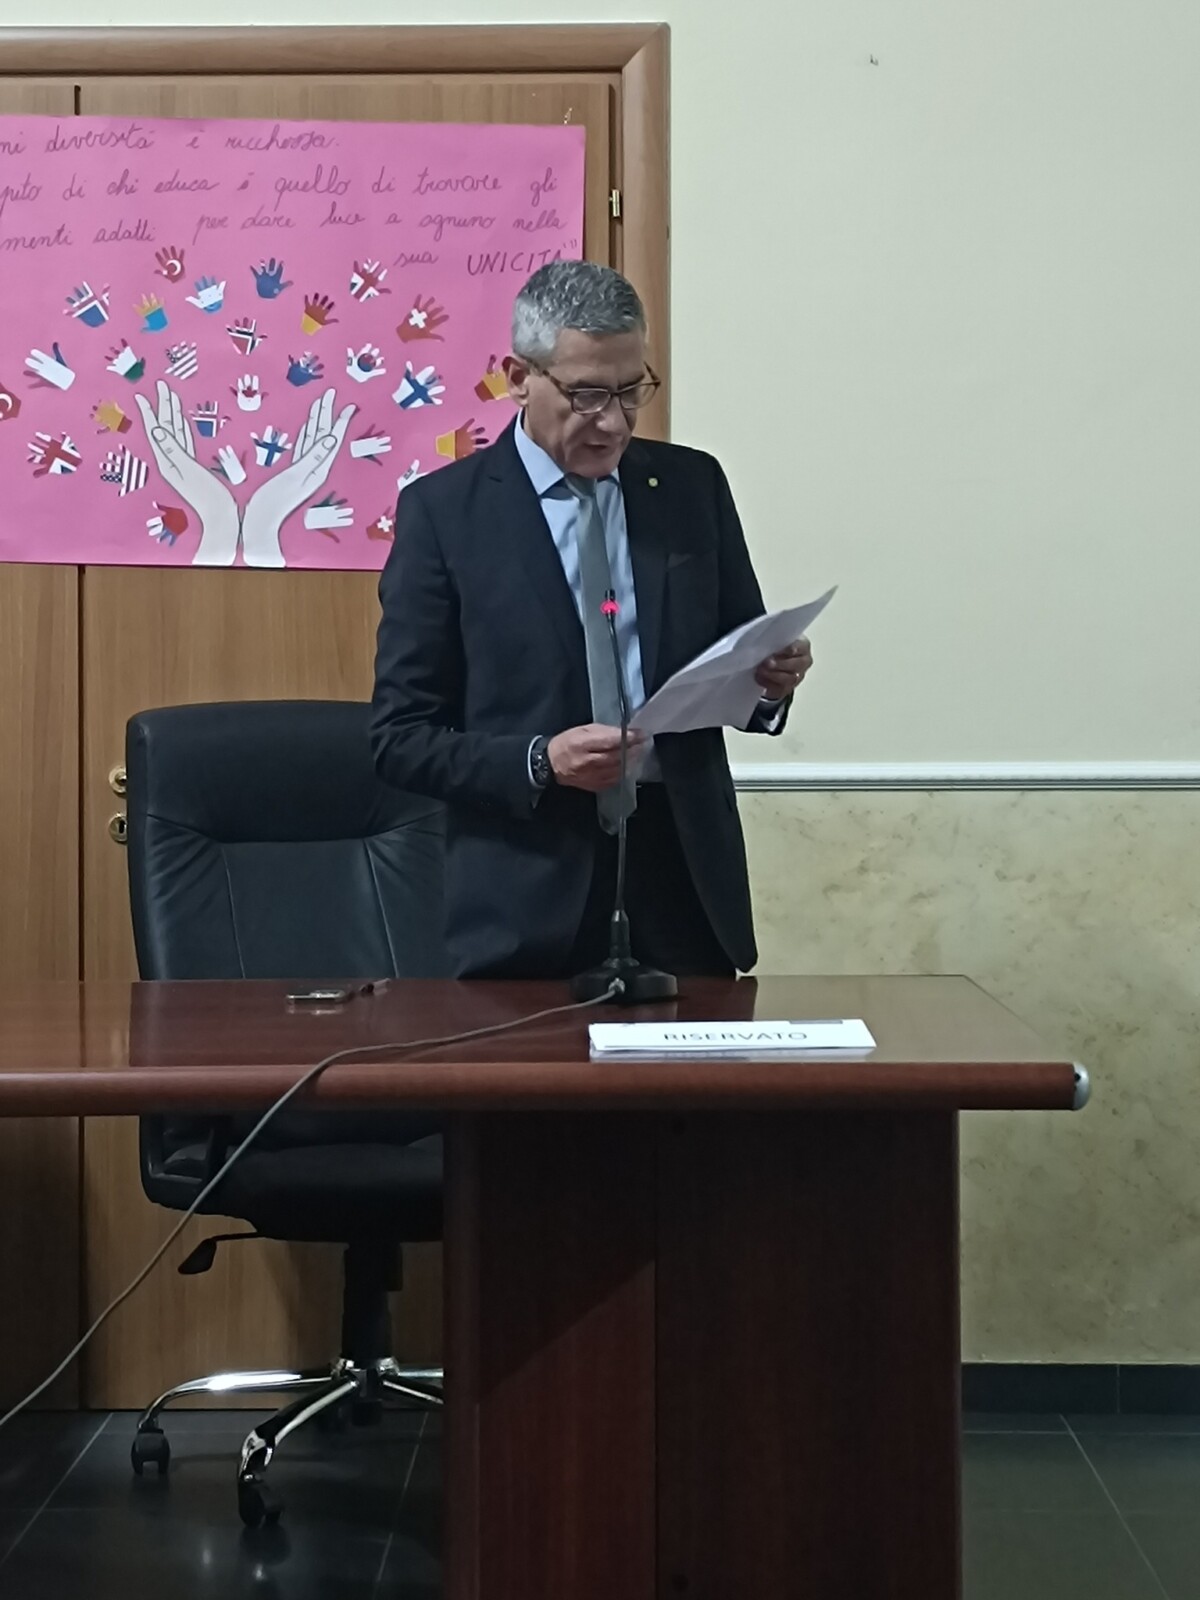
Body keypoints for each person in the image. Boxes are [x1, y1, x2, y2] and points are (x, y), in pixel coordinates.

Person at [371, 261, 812, 980]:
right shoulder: (446, 515)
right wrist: (541, 760)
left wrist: (770, 683)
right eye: (586, 395)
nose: (613, 421)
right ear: (519, 378)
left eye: (631, 390)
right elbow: (400, 739)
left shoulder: (691, 488)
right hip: (526, 894)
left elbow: (741, 654)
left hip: (683, 879)